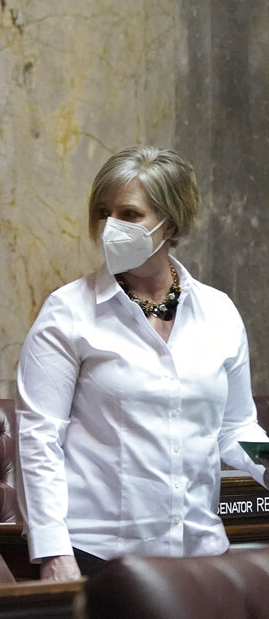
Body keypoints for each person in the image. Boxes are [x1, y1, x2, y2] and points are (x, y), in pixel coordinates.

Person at [16, 145, 269, 581]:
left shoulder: (219, 311)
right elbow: (38, 440)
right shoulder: (69, 311)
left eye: (130, 215)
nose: (111, 227)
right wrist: (54, 553)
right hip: (100, 556)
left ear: (169, 222)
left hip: (201, 555)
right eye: (104, 213)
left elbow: (235, 428)